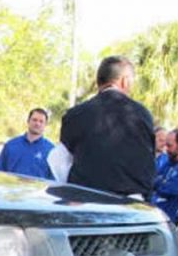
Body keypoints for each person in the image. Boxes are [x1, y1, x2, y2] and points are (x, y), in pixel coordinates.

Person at [60, 56, 155, 199]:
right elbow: (148, 164)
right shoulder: (142, 115)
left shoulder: (76, 115)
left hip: (84, 202)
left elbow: (59, 159)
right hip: (130, 205)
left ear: (99, 80)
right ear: (125, 81)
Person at [0, 108, 55, 179]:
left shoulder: (51, 151)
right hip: (12, 188)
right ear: (28, 121)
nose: (37, 123)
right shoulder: (11, 145)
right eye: (34, 120)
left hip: (37, 190)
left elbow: (54, 181)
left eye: (41, 121)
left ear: (45, 125)